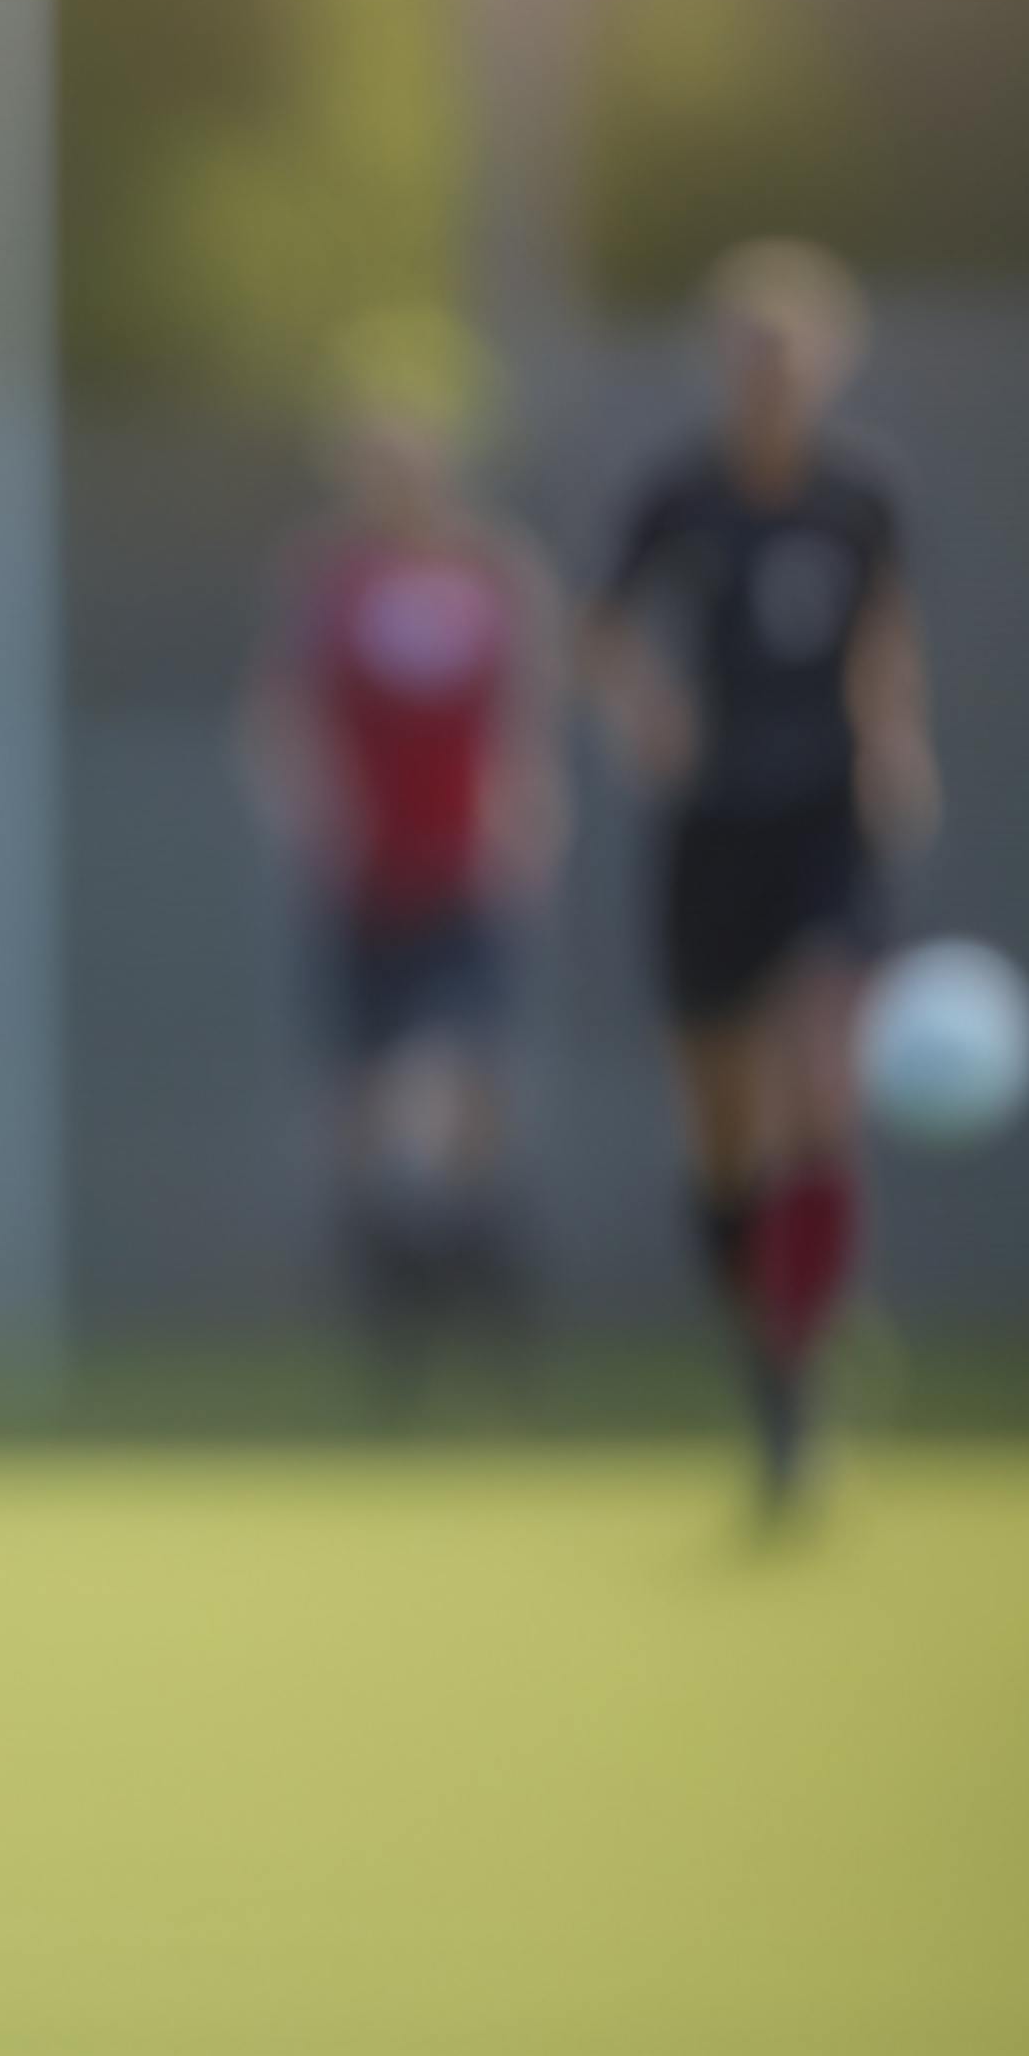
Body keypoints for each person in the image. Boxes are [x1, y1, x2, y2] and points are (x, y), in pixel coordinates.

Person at [583, 241, 938, 1506]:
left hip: (824, 826)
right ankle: (764, 1351)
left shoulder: (861, 499)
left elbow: (886, 637)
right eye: (749, 356)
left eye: (791, 358)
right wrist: (646, 712)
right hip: (712, 830)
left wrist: (896, 738)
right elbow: (604, 633)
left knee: (818, 1072)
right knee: (723, 1123)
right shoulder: (681, 498)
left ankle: (808, 1338)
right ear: (721, 368)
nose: (770, 380)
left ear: (828, 367)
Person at [239, 376, 566, 1388]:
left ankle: (485, 1284)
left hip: (464, 876)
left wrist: (530, 809)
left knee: (462, 1090)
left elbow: (528, 711)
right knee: (368, 1104)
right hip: (366, 884)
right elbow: (282, 715)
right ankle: (398, 1321)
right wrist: (307, 806)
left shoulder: (494, 571)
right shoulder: (329, 580)